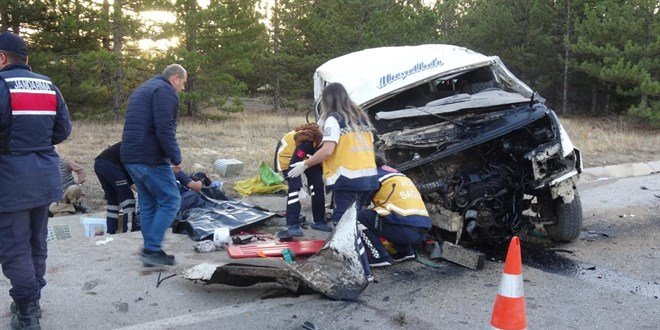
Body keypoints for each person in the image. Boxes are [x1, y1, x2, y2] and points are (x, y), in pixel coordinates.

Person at [0, 31, 72, 329]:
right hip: (44, 178)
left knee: (14, 247)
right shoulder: (48, 85)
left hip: (10, 180)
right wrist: (38, 144)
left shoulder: (1, 85)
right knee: (36, 241)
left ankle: (28, 311)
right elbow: (63, 130)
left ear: (2, 58)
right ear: (25, 59)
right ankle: (32, 297)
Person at [287, 82, 379, 280]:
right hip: (369, 179)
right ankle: (373, 260)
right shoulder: (361, 119)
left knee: (344, 227)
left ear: (327, 101)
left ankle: (363, 272)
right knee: (355, 224)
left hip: (348, 180)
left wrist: (305, 164)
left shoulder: (334, 120)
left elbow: (328, 149)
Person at [121, 64, 187, 267]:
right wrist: (175, 157)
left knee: (149, 202)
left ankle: (151, 250)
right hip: (149, 157)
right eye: (183, 83)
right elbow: (165, 128)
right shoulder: (165, 91)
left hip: (130, 155)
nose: (183, 88)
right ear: (175, 78)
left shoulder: (144, 88)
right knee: (171, 200)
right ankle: (152, 250)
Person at [358, 158, 432, 267]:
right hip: (423, 229)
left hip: (405, 231)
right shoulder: (398, 175)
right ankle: (405, 252)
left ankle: (379, 257)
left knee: (359, 217)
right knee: (389, 216)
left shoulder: (373, 176)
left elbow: (361, 207)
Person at [274, 123, 326, 239]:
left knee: (317, 185)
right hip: (288, 159)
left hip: (307, 158)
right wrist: (300, 188)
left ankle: (319, 221)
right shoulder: (306, 141)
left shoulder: (326, 141)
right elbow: (294, 165)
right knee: (294, 192)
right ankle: (293, 225)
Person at [94, 142, 139, 234]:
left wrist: (141, 191)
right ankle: (129, 230)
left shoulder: (131, 143)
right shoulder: (140, 146)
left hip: (99, 164)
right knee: (128, 199)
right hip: (110, 165)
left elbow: (128, 179)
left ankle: (111, 231)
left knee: (113, 200)